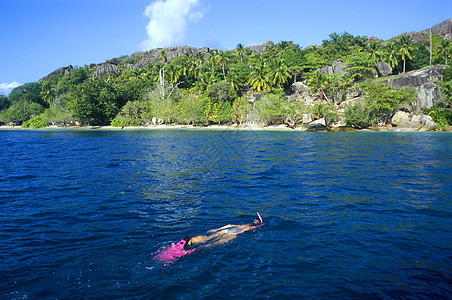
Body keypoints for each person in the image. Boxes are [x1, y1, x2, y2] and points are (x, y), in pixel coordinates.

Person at [187, 212, 263, 248]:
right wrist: (239, 232)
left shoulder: (243, 224)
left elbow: (229, 225)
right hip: (234, 233)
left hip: (227, 230)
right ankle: (199, 247)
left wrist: (217, 229)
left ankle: (191, 241)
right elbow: (247, 229)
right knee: (215, 243)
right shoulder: (253, 226)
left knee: (208, 237)